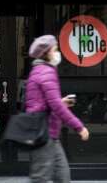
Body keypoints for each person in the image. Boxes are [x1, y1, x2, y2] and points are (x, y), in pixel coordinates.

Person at [26, 35, 89, 183]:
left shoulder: (39, 70)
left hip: (50, 134)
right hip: (44, 135)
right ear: (46, 52)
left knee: (63, 176)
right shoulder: (46, 72)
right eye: (55, 49)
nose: (57, 53)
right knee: (40, 178)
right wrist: (79, 127)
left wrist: (59, 102)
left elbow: (44, 102)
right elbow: (55, 106)